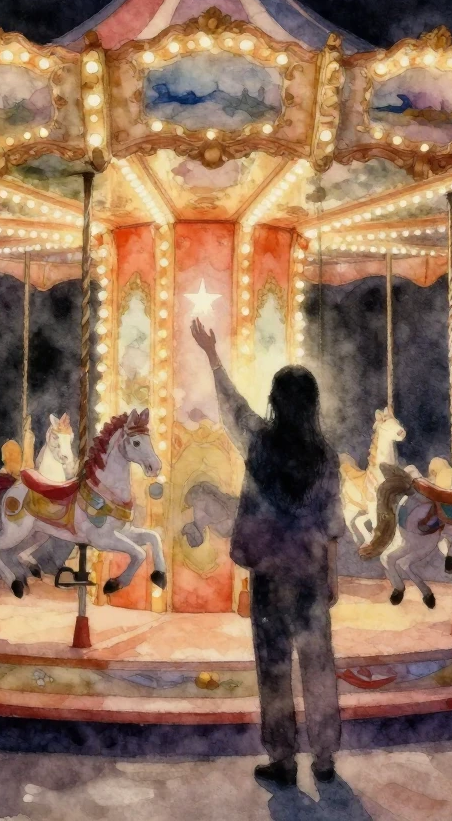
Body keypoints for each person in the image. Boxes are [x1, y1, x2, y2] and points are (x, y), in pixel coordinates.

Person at [190, 318, 345, 787]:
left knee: (274, 666)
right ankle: (324, 757)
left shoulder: (259, 443)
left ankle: (282, 757)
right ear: (313, 405)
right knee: (318, 663)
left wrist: (212, 356)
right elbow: (331, 522)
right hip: (310, 572)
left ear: (275, 403)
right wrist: (332, 576)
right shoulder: (325, 456)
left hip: (270, 575)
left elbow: (232, 407)